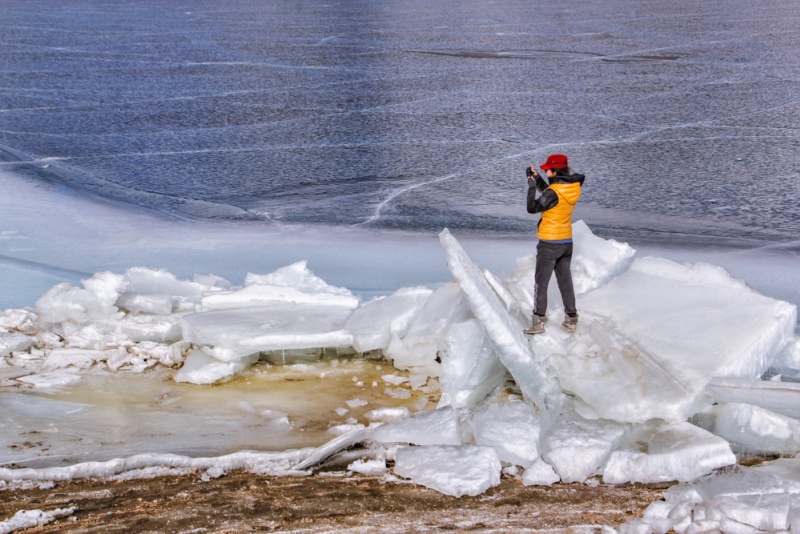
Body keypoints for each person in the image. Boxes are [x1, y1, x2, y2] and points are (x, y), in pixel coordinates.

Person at [522, 153, 585, 335]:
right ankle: (571, 319)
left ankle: (538, 322)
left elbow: (533, 207)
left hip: (549, 242)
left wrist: (532, 185)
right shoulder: (572, 187)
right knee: (565, 281)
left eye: (546, 169)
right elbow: (553, 196)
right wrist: (538, 178)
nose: (545, 170)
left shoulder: (553, 192)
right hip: (566, 241)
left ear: (554, 170)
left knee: (540, 283)